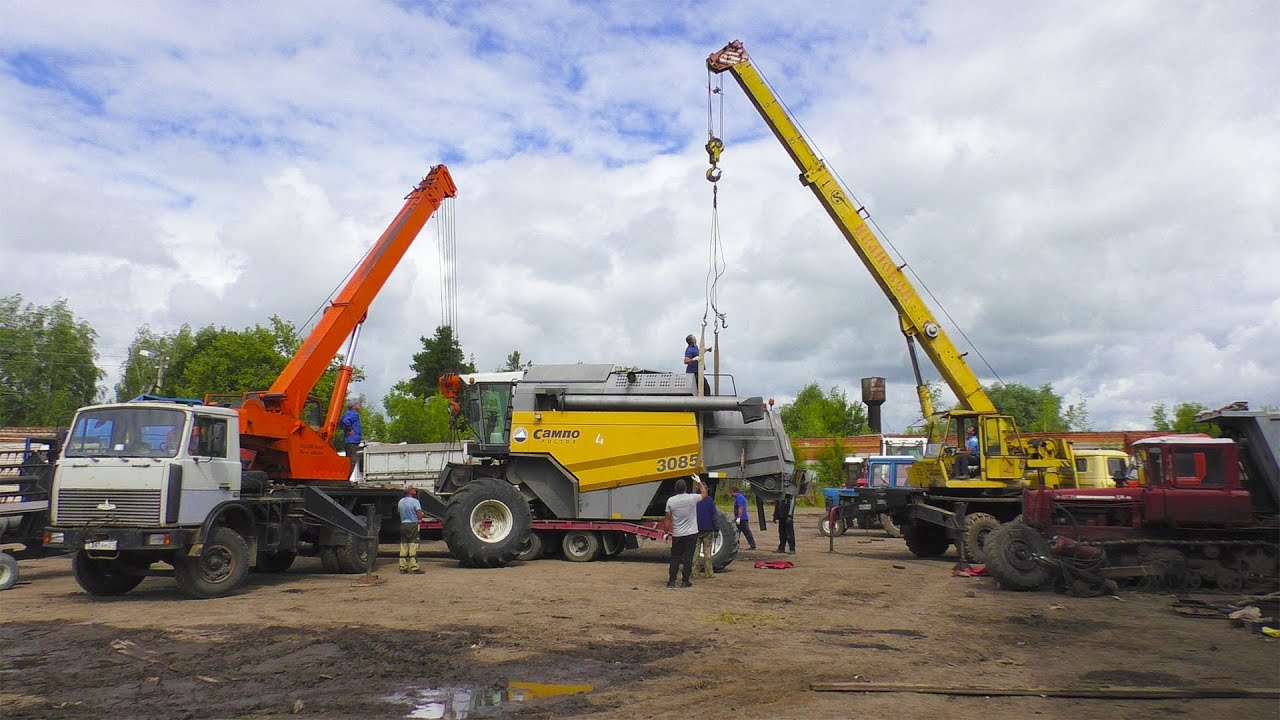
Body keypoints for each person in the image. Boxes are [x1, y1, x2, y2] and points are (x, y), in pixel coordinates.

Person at [662, 478, 705, 588]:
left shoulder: (671, 501)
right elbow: (704, 494)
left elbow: (667, 519)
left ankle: (672, 581)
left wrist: (666, 532)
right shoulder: (692, 498)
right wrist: (699, 482)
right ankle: (685, 581)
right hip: (691, 534)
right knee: (688, 558)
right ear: (686, 488)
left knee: (675, 558)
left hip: (678, 534)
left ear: (675, 489)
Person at [397, 486, 425, 574]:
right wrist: (420, 519)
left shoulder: (400, 502)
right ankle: (414, 567)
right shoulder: (415, 502)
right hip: (413, 524)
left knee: (404, 545)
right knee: (413, 545)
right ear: (409, 491)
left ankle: (403, 567)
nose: (414, 489)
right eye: (412, 488)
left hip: (403, 524)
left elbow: (399, 512)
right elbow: (419, 513)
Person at [694, 485, 719, 578]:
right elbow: (714, 515)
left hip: (696, 529)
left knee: (695, 552)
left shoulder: (694, 500)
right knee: (707, 551)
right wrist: (716, 529)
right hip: (708, 529)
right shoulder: (709, 501)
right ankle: (708, 573)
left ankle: (695, 573)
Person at [339, 402, 363, 474]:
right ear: (353, 406)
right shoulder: (354, 414)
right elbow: (345, 421)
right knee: (352, 460)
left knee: (348, 459)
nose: (359, 405)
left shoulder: (346, 413)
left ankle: (345, 476)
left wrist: (345, 430)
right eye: (357, 404)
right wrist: (350, 430)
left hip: (348, 440)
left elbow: (340, 422)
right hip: (353, 439)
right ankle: (346, 477)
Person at [733, 484, 757, 550]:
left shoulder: (739, 498)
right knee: (745, 532)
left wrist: (738, 518)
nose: (731, 494)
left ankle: (735, 545)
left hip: (741, 518)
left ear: (734, 492)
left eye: (731, 493)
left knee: (737, 532)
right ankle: (752, 545)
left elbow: (740, 507)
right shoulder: (742, 497)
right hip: (743, 518)